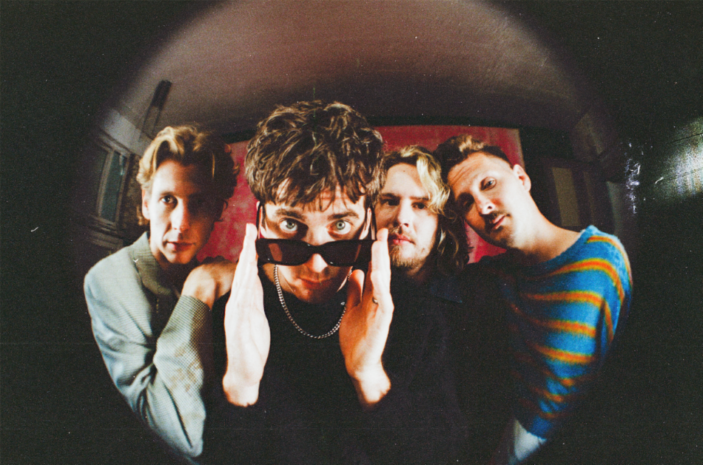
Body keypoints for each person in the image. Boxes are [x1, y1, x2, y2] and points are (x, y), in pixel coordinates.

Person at [204, 101, 464, 464]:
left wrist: (371, 379)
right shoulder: (230, 315)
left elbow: (445, 455)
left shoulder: (415, 314)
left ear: (368, 222)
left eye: (340, 225)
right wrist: (241, 388)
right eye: (291, 225)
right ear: (261, 220)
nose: (316, 264)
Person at [435, 134, 633, 464]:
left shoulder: (600, 260)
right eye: (466, 203)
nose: (483, 207)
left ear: (521, 178)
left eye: (488, 184)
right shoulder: (495, 275)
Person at [84, 125, 239, 462]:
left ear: (218, 211)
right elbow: (180, 434)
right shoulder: (109, 280)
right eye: (168, 200)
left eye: (198, 203)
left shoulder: (213, 276)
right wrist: (198, 291)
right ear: (146, 203)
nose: (181, 223)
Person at [374, 145, 511, 462]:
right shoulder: (346, 295)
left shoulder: (478, 300)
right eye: (389, 201)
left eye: (421, 205)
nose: (402, 218)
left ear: (442, 223)